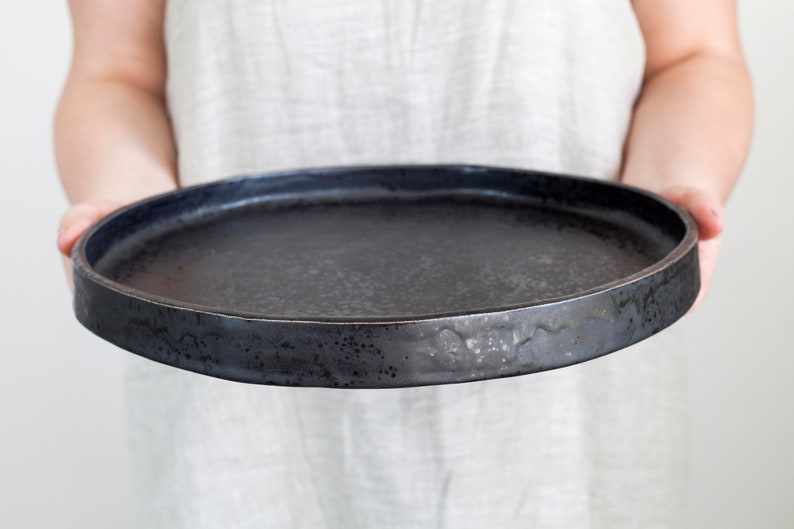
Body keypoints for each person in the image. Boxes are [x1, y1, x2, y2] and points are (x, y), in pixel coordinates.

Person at [55, 0, 753, 527]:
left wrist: (670, 190)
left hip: (568, 404)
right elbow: (117, 72)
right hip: (237, 414)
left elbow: (692, 55)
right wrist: (128, 210)